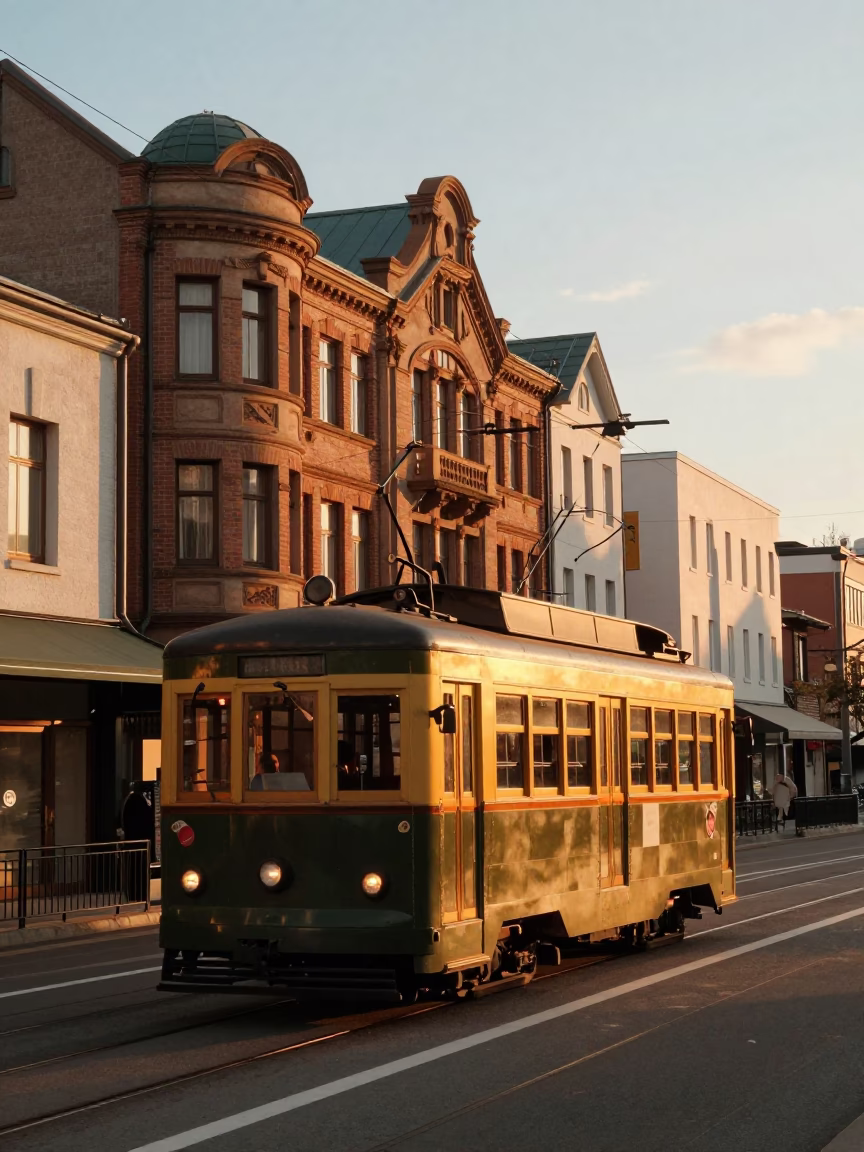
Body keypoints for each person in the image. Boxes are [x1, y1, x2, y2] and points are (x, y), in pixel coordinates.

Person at [120, 781, 154, 903]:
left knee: (135, 870)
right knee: (138, 871)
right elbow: (146, 819)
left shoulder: (130, 799)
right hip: (138, 842)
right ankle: (138, 895)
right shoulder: (136, 800)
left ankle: (135, 895)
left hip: (134, 841)